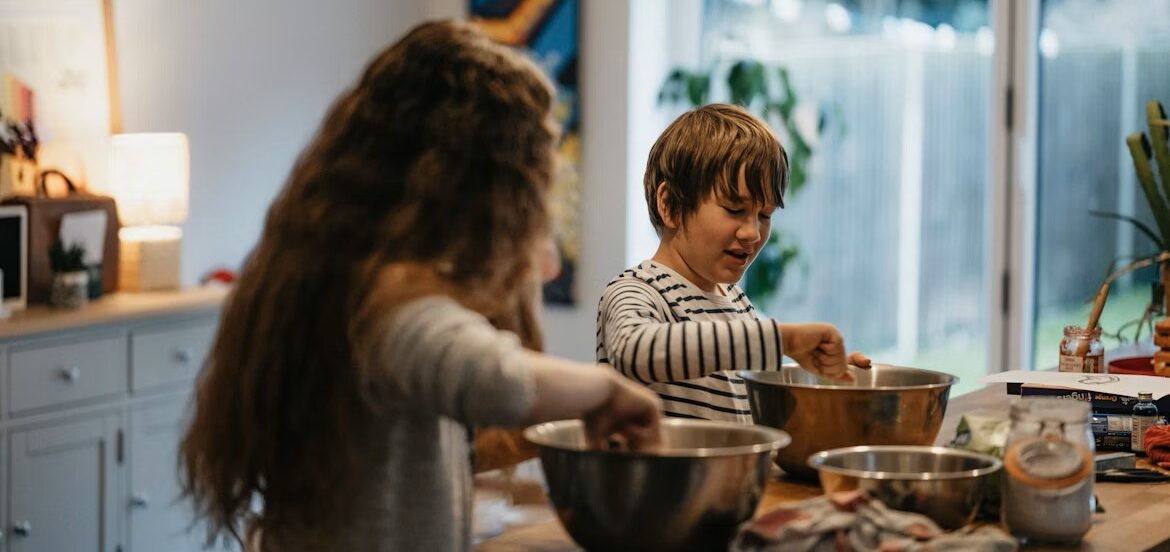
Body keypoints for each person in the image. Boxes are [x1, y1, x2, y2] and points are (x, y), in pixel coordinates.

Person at [179, 20, 661, 552]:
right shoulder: (383, 301)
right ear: (479, 189)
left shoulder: (331, 269)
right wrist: (606, 388)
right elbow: (496, 379)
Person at [596, 103, 869, 423]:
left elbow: (745, 388)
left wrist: (822, 374)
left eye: (764, 215)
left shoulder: (737, 302)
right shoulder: (637, 291)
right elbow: (633, 351)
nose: (753, 232)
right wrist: (784, 339)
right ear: (670, 205)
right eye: (734, 209)